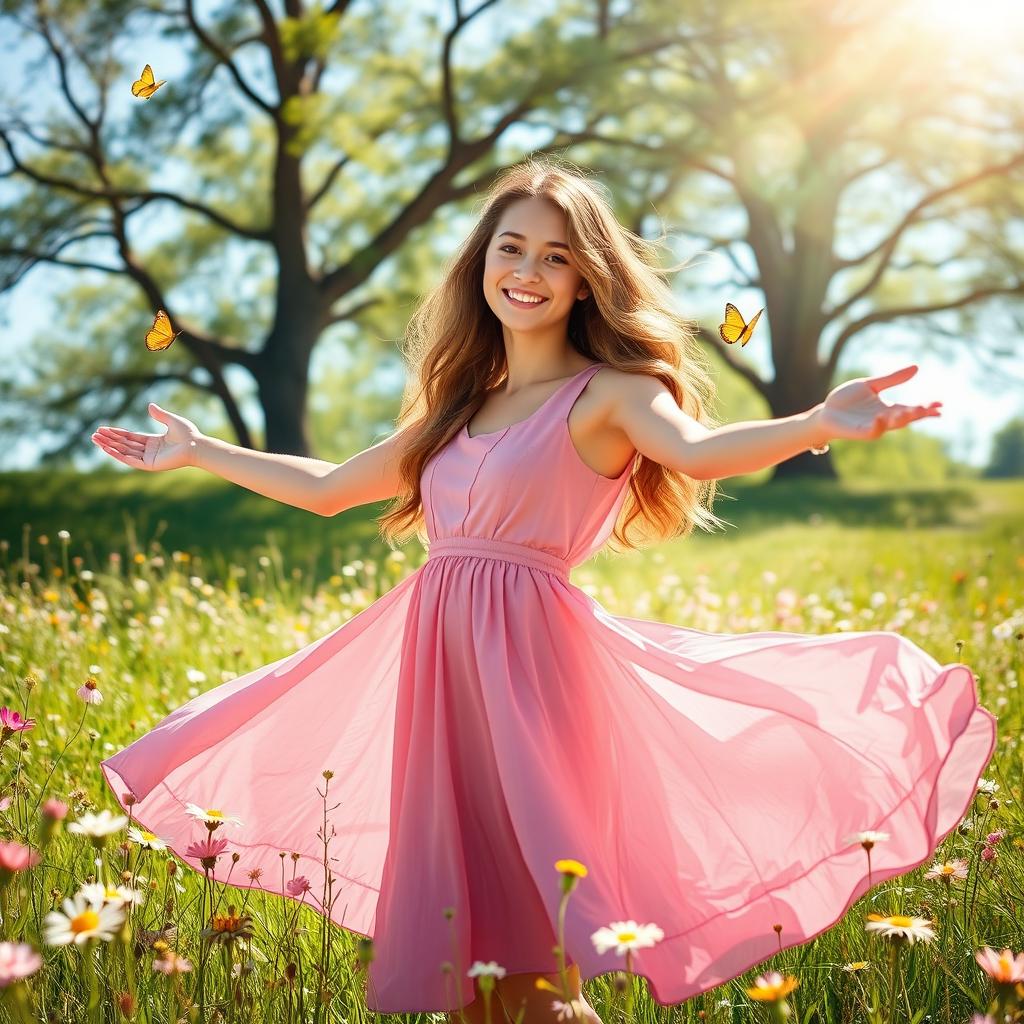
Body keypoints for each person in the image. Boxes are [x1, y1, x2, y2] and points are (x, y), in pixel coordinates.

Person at [91, 157, 996, 1024]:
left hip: (533, 685)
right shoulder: (459, 411)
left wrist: (812, 423)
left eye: (556, 256)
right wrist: (200, 451)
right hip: (443, 687)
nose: (528, 271)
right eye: (511, 248)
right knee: (472, 982)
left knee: (535, 973)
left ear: (586, 281)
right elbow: (329, 489)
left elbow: (695, 452)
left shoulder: (613, 394)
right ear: (481, 264)